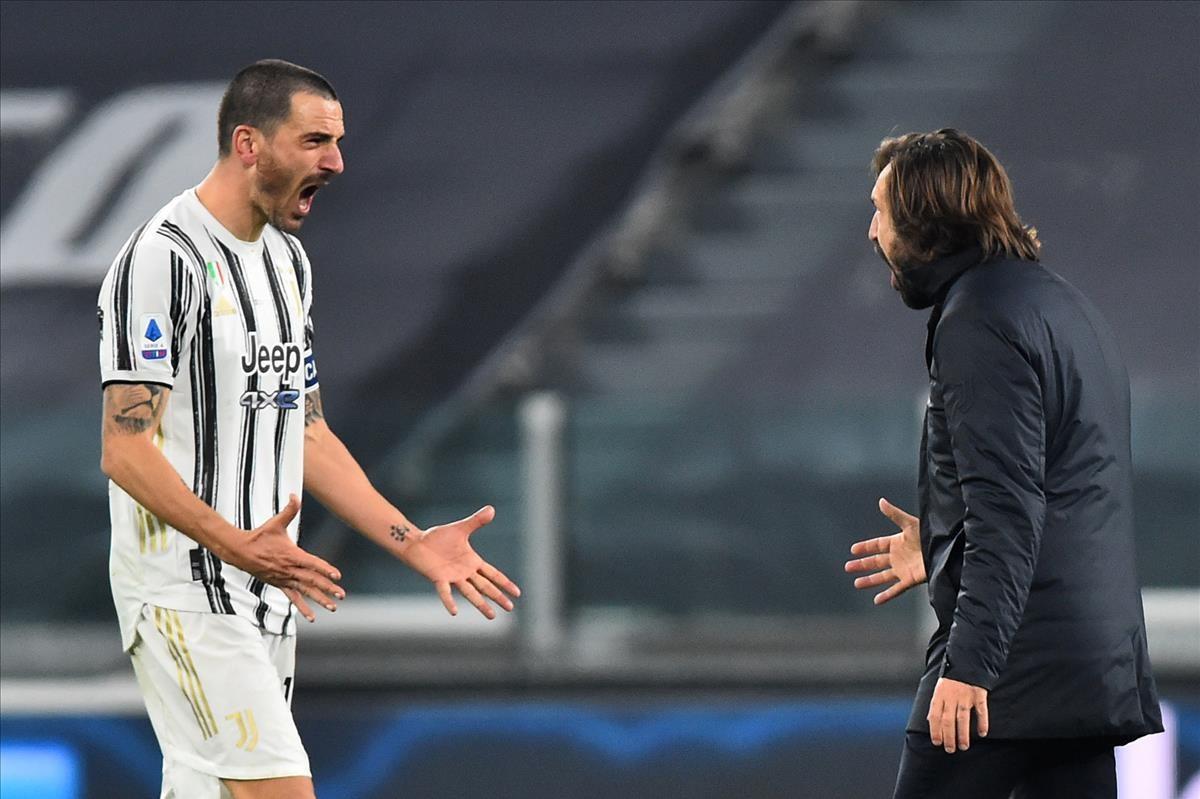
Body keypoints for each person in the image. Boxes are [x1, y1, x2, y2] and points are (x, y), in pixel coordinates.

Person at [97, 59, 521, 799]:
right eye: (316, 140)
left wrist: (411, 540)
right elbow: (124, 446)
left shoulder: (288, 263)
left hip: (263, 591)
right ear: (249, 144)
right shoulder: (164, 260)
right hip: (186, 592)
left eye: (339, 140)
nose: (337, 161)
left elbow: (307, 430)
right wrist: (235, 545)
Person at [843, 128, 1162, 798]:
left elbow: (1011, 511)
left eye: (881, 212)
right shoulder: (1059, 304)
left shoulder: (978, 322)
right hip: (1084, 664)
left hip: (1009, 670)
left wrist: (970, 666)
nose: (872, 233)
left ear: (927, 223)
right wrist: (942, 544)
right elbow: (1064, 494)